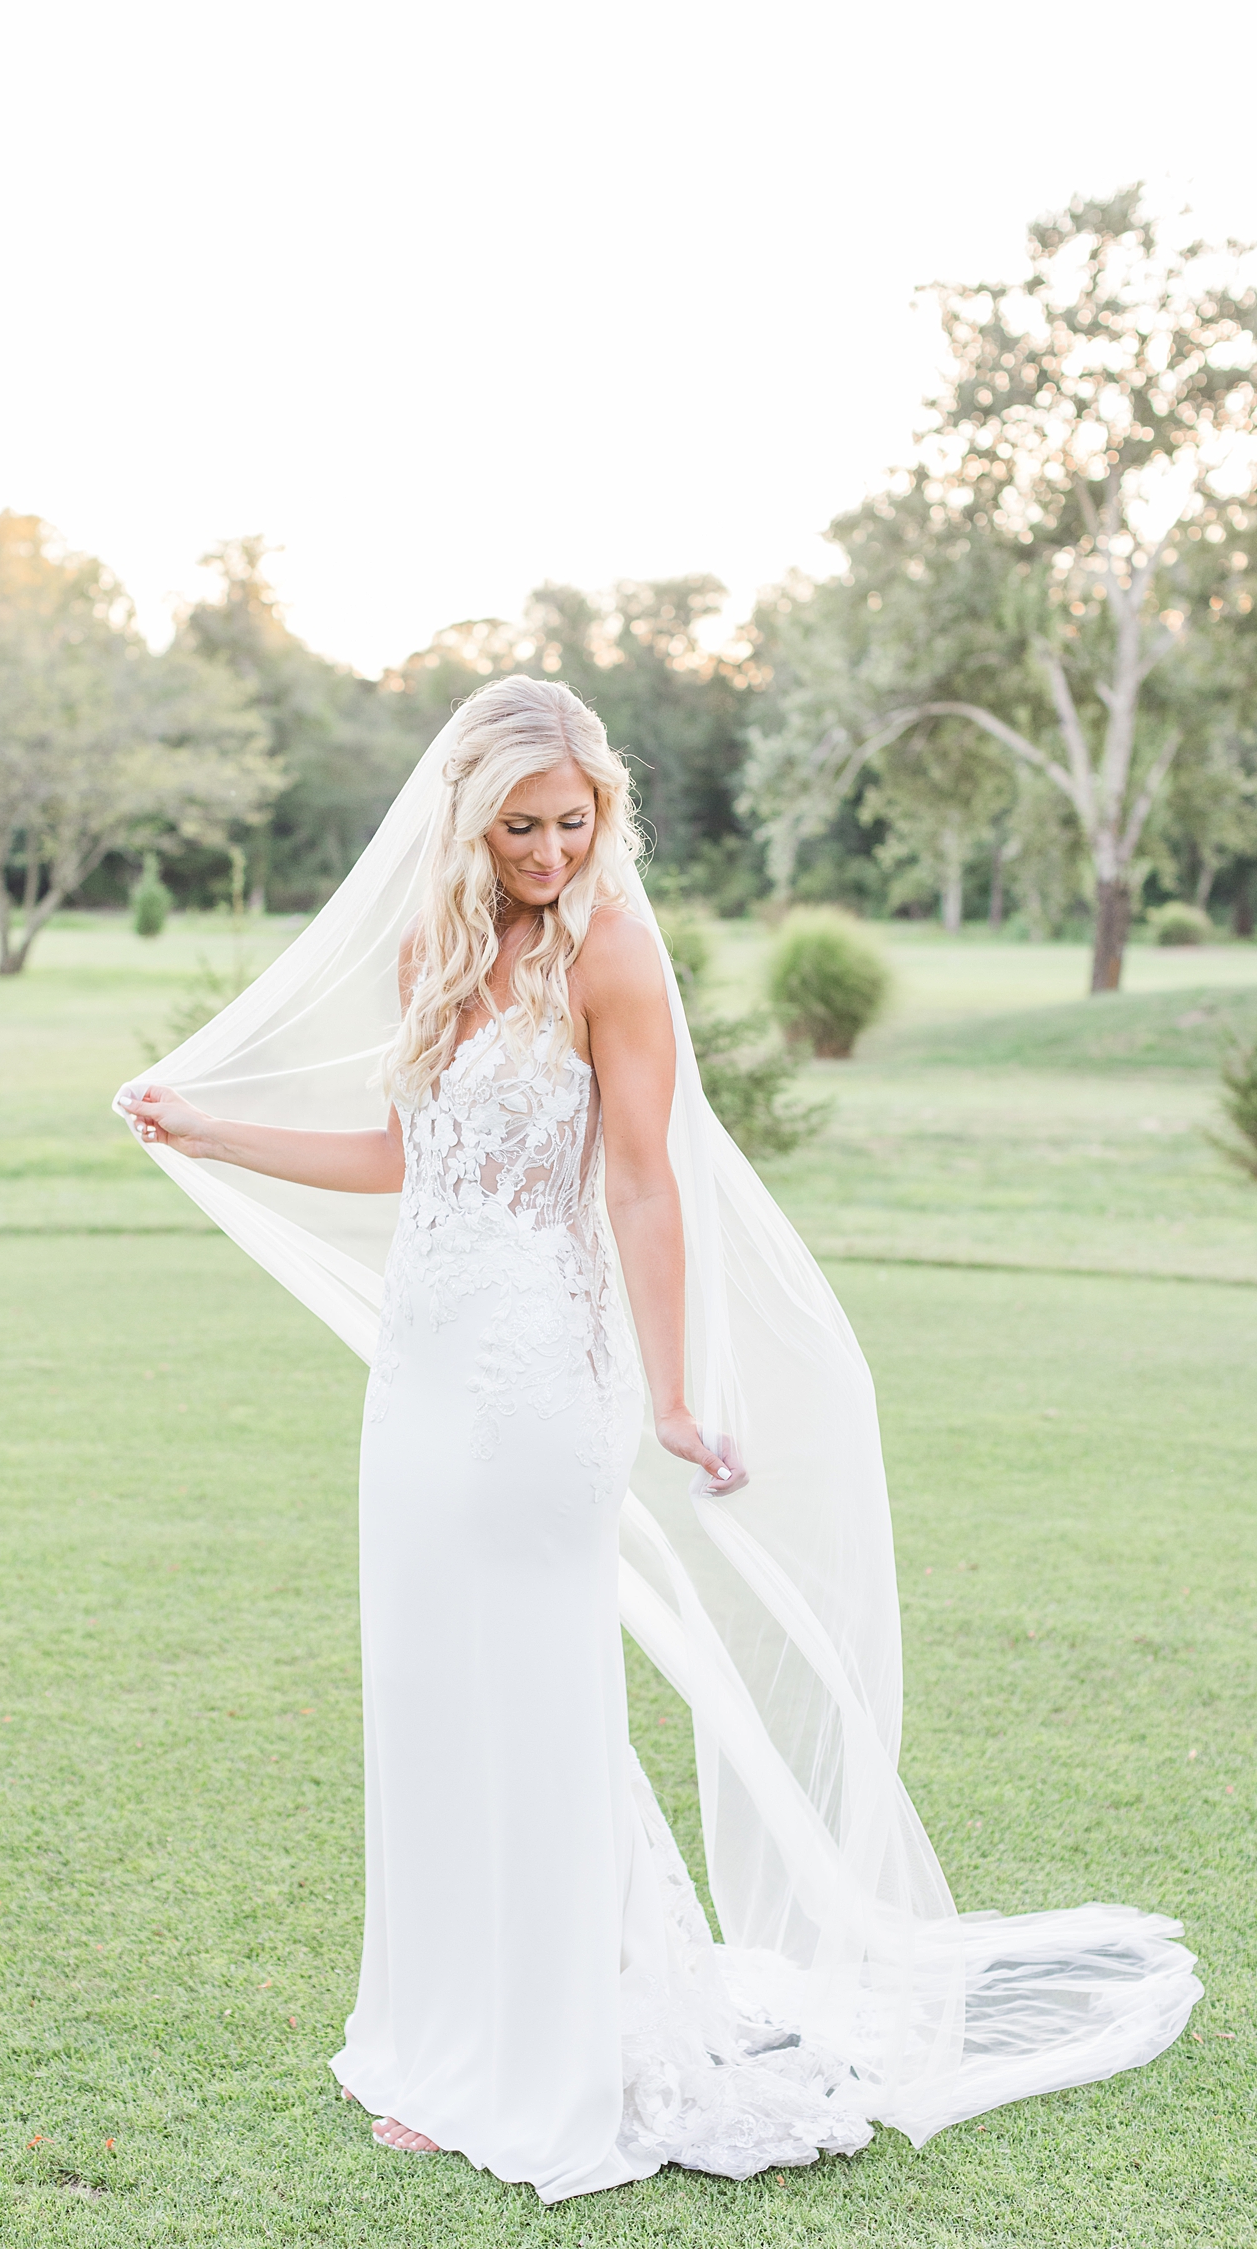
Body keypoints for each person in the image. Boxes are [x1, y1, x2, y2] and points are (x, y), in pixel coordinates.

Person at [119, 677, 1199, 2206]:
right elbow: (402, 1155)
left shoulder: (612, 951)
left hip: (538, 1385)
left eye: (576, 821)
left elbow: (642, 1182)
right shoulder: (442, 942)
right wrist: (211, 1125)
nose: (554, 850)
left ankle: (547, 2058)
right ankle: (445, 2035)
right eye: (524, 826)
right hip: (420, 1384)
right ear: (469, 818)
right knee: (432, 1702)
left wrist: (680, 1392)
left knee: (538, 1712)